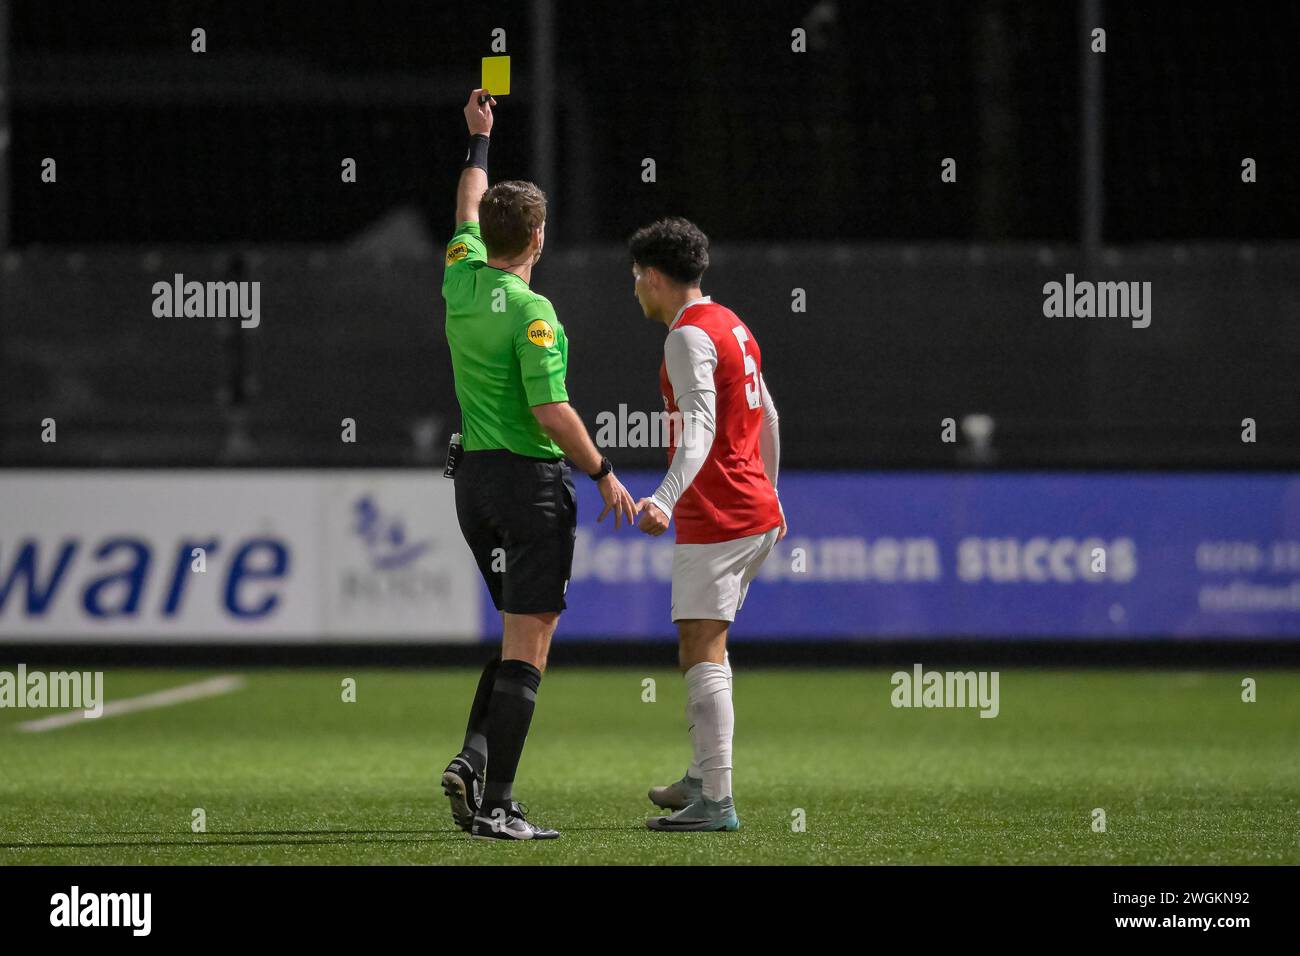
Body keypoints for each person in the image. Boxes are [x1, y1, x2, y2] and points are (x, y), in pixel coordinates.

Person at [440, 90, 638, 840]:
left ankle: (471, 760)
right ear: (539, 236)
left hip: (473, 487)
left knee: (513, 635)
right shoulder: (534, 311)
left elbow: (465, 202)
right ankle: (498, 805)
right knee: (531, 643)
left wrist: (478, 142)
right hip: (529, 486)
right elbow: (554, 414)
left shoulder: (460, 275)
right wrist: (604, 471)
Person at [628, 217, 786, 832]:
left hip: (719, 514)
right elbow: (767, 414)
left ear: (655, 277)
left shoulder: (686, 336)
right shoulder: (732, 323)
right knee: (701, 645)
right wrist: (773, 495)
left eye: (637, 279)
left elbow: (699, 429)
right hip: (752, 511)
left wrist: (664, 499)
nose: (635, 290)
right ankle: (701, 776)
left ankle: (716, 802)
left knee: (702, 649)